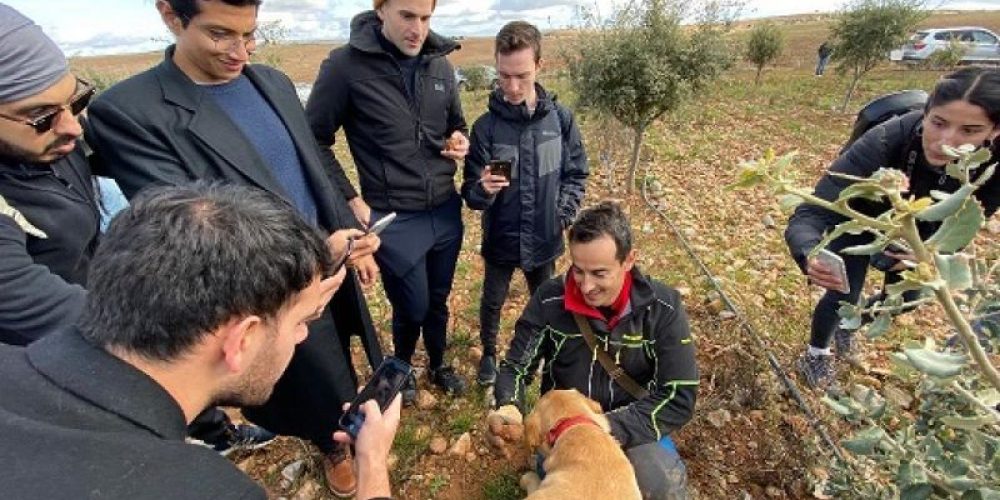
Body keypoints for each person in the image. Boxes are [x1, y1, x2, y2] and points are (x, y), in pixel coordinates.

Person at [85, 0, 382, 494]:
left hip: (333, 259)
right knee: (303, 375)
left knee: (340, 355)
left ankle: (340, 418)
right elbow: (194, 234)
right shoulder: (131, 112)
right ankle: (332, 444)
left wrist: (351, 236)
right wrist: (310, 257)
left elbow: (312, 169)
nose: (239, 52)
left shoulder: (273, 83)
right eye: (220, 34)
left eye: (250, 35)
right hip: (267, 288)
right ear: (170, 15)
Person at [0, 184, 399, 500]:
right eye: (300, 321)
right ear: (241, 338)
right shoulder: (199, 487)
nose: (303, 335)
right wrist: (374, 466)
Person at [786, 67, 1000, 389]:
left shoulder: (994, 169)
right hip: (860, 218)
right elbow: (811, 212)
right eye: (938, 123)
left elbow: (968, 221)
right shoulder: (886, 138)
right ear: (925, 113)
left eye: (969, 131)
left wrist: (932, 253)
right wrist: (808, 252)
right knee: (843, 289)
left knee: (907, 300)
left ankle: (851, 325)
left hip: (921, 235)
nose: (946, 141)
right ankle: (816, 353)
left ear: (994, 131)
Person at [305, 0, 470, 400]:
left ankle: (437, 363)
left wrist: (459, 139)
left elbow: (455, 123)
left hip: (445, 210)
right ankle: (400, 365)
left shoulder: (441, 67)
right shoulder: (345, 67)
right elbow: (313, 140)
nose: (418, 28)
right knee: (411, 305)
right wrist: (349, 199)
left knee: (437, 300)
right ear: (381, 11)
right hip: (394, 217)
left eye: (426, 18)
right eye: (407, 16)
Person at [489, 201, 699, 499]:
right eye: (578, 270)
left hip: (634, 424)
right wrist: (508, 404)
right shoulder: (550, 299)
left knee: (661, 485)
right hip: (563, 433)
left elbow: (679, 396)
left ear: (629, 261)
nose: (586, 286)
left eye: (600, 273)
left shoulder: (663, 308)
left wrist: (604, 428)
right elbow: (516, 367)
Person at [461, 21, 588, 386]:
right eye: (503, 76)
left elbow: (576, 174)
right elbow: (470, 195)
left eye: (522, 76)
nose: (512, 87)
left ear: (540, 67)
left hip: (546, 238)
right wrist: (483, 188)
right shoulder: (484, 128)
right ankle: (488, 354)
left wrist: (562, 214)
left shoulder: (560, 121)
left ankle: (545, 358)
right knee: (492, 301)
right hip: (502, 238)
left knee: (547, 303)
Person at [0, 3, 97, 344]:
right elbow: (21, 293)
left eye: (77, 101)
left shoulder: (54, 137)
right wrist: (176, 337)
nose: (72, 127)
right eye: (41, 115)